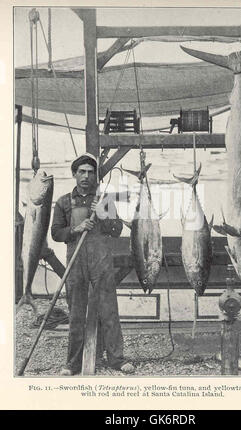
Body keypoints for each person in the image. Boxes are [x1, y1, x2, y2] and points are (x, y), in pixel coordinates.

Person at [51, 153, 135, 375]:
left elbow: (117, 230)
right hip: (76, 262)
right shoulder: (62, 202)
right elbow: (55, 234)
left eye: (90, 172)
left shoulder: (104, 200)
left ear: (95, 176)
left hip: (101, 261)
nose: (86, 176)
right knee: (76, 312)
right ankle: (73, 363)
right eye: (82, 172)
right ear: (74, 174)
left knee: (109, 310)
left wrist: (103, 214)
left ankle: (116, 358)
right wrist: (76, 229)